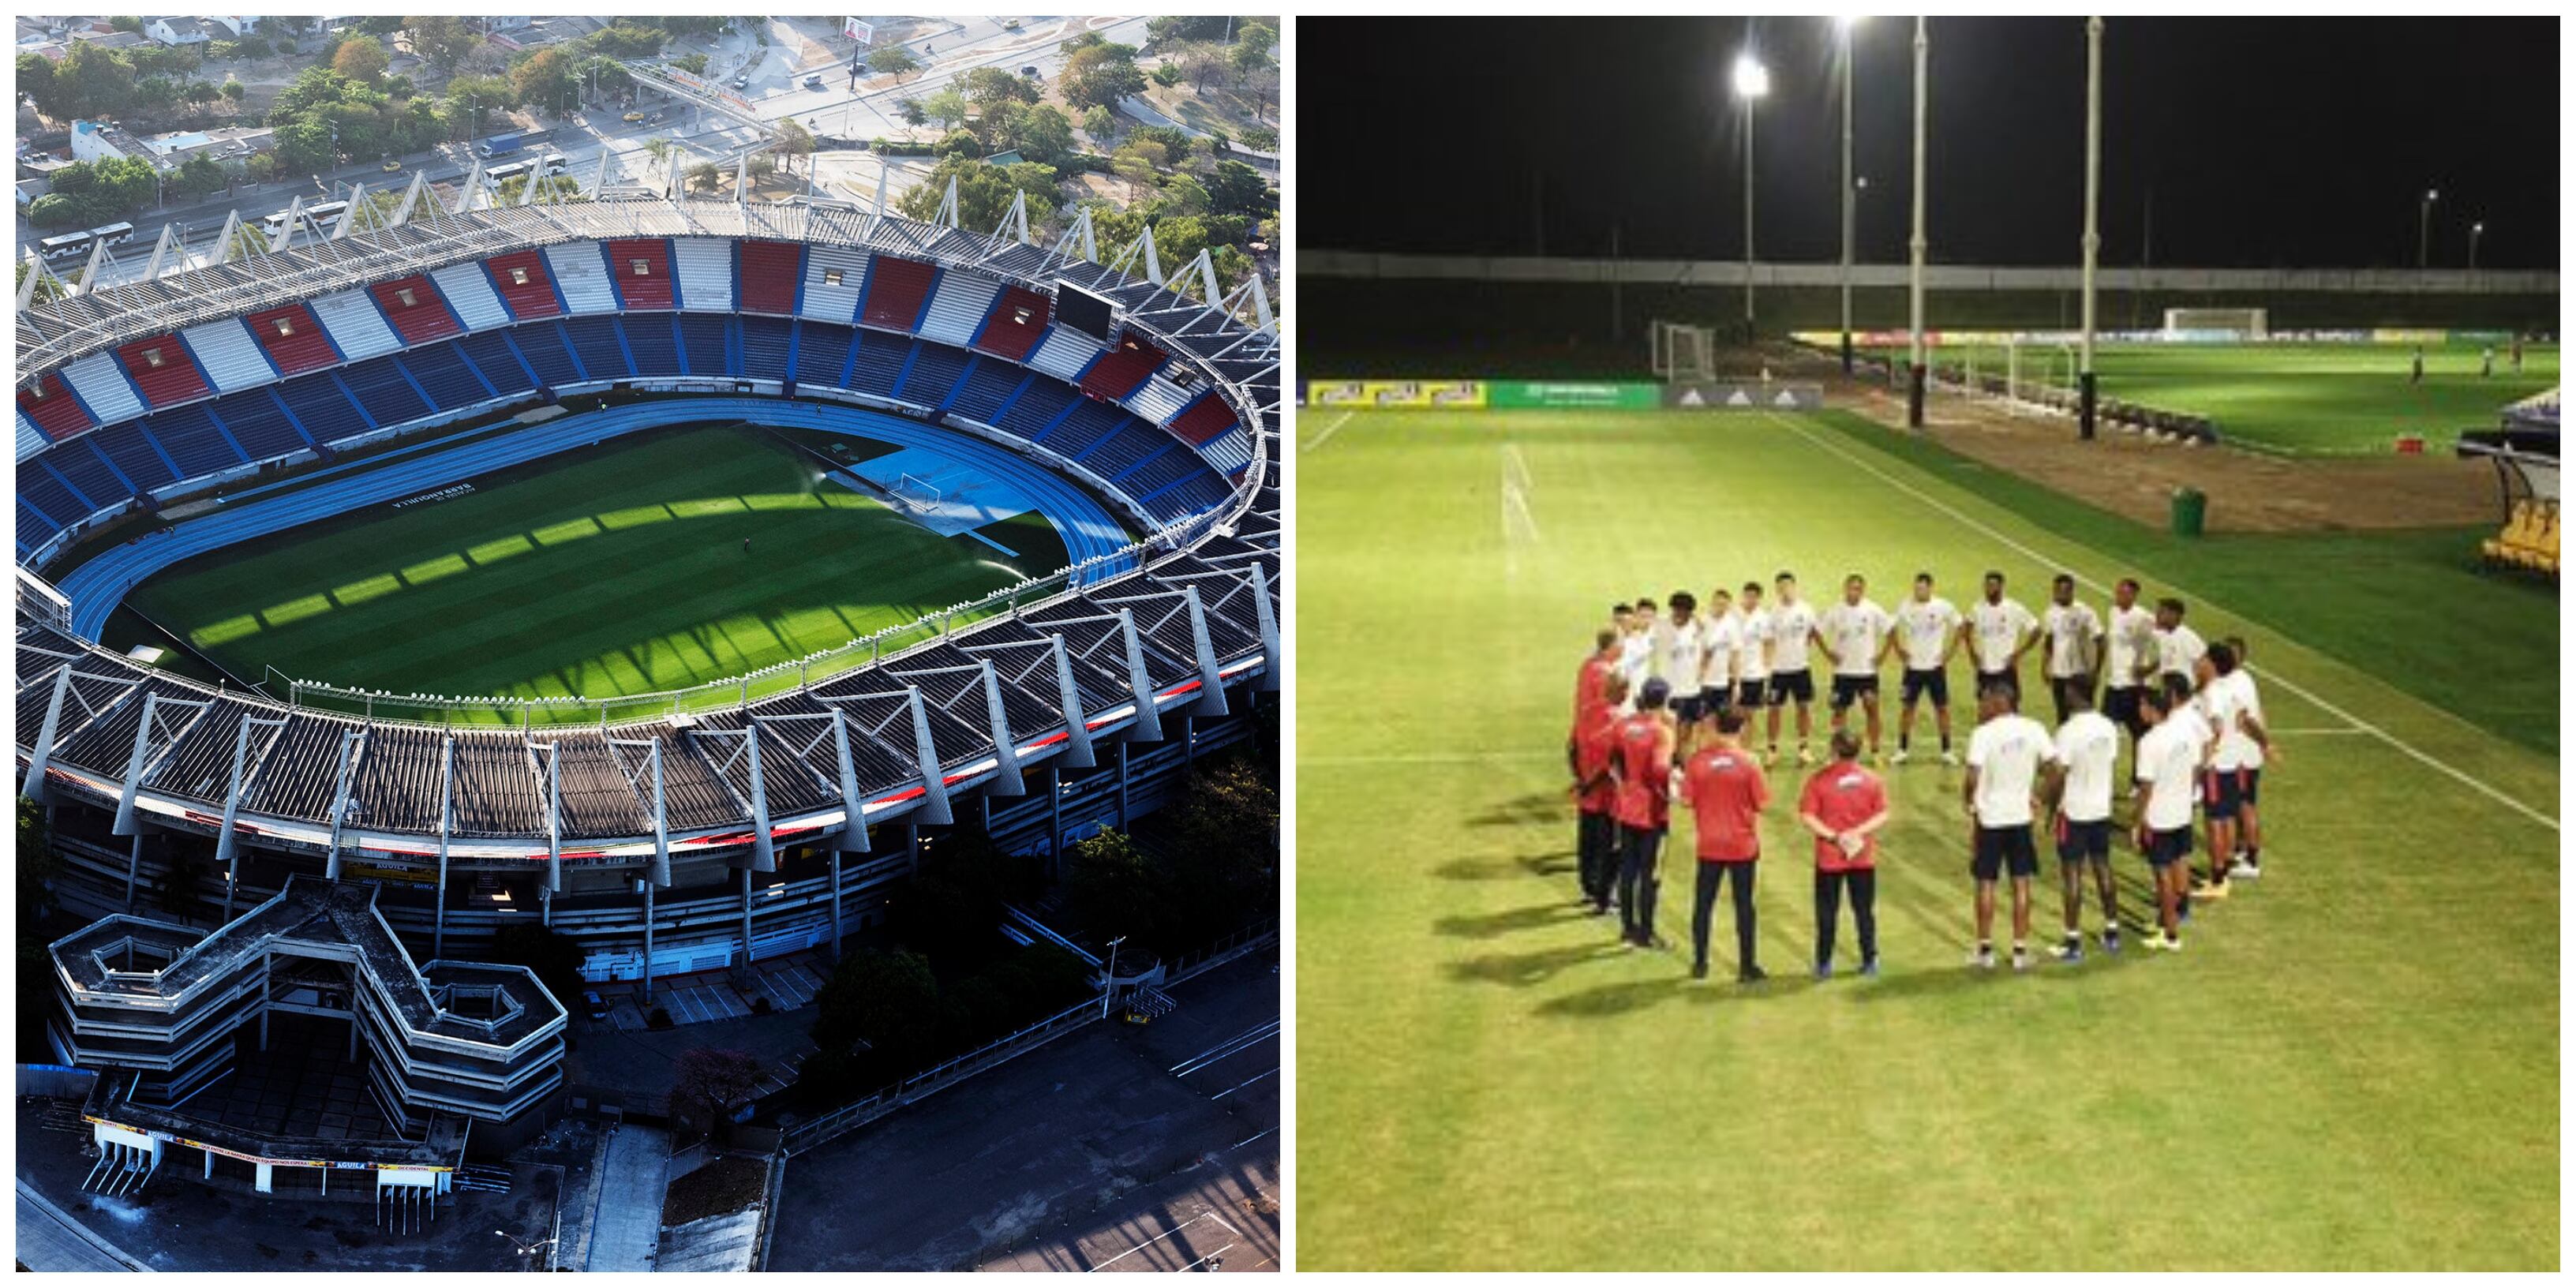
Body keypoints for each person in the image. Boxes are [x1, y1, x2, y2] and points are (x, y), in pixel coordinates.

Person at [1963, 682, 2058, 972]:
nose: (1981, 706)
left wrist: (1968, 801)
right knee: (2021, 882)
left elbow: (1972, 776)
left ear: (1999, 700)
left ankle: (1985, 950)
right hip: (2020, 818)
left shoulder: (1983, 734)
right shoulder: (2035, 728)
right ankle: (2019, 952)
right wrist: (2039, 798)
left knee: (1986, 882)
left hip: (1990, 819)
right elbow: (2055, 770)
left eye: (1985, 700)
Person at [1681, 706, 1768, 982]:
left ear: (1717, 727)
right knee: (1745, 906)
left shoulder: (1697, 761)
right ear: (1741, 728)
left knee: (1704, 905)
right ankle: (1747, 965)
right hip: (1742, 845)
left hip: (1710, 844)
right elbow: (1762, 803)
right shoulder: (1750, 762)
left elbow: (1686, 800)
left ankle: (1700, 962)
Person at [2190, 642, 2276, 903]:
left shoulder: (2214, 692)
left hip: (2217, 764)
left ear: (2213, 663)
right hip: (2233, 761)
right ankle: (2225, 867)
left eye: (2204, 658)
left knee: (2215, 820)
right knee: (2227, 816)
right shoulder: (2232, 686)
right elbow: (2245, 719)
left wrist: (2209, 750)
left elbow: (2216, 723)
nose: (2199, 661)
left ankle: (2218, 879)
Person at [1800, 729, 1889, 979]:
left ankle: (1824, 964)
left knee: (1827, 912)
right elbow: (1882, 814)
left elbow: (1807, 816)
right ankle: (1870, 959)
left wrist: (1835, 837)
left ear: (1835, 749)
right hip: (1862, 857)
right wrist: (1858, 833)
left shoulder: (1819, 780)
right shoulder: (1872, 780)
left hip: (1829, 858)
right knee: (1864, 910)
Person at [2046, 687, 2123, 960]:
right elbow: (2110, 761)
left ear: (2076, 695)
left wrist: (2051, 810)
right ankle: (2112, 931)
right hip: (2101, 808)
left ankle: (2072, 940)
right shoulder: (2108, 727)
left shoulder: (2068, 731)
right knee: (2103, 866)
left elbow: (2058, 775)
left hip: (2075, 811)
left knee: (2072, 874)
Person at [2132, 681, 2208, 951]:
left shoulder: (2149, 742)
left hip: (2160, 817)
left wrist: (2138, 821)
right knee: (2180, 862)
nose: (2139, 709)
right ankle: (2174, 914)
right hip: (2182, 812)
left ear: (2153, 710)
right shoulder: (2185, 733)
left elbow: (2146, 787)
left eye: (2142, 705)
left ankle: (2170, 932)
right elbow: (2197, 766)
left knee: (2162, 875)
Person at [1609, 677, 1679, 949]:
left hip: (1626, 808)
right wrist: (1668, 792)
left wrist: (1624, 787)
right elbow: (1660, 770)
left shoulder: (1624, 725)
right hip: (1652, 812)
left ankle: (1627, 928)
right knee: (1650, 874)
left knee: (1627, 870)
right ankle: (1646, 932)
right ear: (1664, 701)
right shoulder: (1661, 732)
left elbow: (1613, 764)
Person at [1818, 572, 1893, 762]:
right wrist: (1828, 653)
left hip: (1867, 672)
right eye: (1851, 588)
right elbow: (1816, 631)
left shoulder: (1873, 609)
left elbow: (1891, 630)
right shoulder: (1835, 610)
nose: (1854, 592)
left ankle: (1875, 750)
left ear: (1863, 590)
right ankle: (1836, 752)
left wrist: (1882, 656)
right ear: (1845, 589)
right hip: (1843, 672)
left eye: (1858, 589)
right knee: (1839, 712)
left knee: (1872, 708)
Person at [1571, 671, 1629, 915]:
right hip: (1606, 797)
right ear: (1621, 693)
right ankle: (1605, 897)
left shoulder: (1586, 713)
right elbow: (1609, 766)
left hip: (1587, 793)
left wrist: (1579, 778)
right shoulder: (1618, 722)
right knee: (1609, 846)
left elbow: (1572, 747)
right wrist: (1588, 785)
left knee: (1587, 842)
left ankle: (1588, 888)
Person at [1891, 571, 1964, 765]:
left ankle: (1947, 750)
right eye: (1916, 588)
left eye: (1922, 588)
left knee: (1942, 709)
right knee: (1908, 708)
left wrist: (1949, 653)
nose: (1918, 591)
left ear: (1931, 588)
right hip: (1912, 668)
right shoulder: (1905, 605)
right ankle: (1902, 749)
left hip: (1935, 668)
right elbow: (1891, 626)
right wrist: (1899, 649)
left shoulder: (1943, 606)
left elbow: (1961, 626)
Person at [2220, 635, 2271, 880]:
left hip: (2242, 755)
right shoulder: (2242, 680)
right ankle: (2241, 849)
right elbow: (2260, 713)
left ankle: (2252, 860)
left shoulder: (2238, 684)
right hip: (2245, 753)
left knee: (2245, 805)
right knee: (2241, 805)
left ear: (2240, 658)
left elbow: (2248, 720)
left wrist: (2265, 744)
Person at [1765, 572, 1821, 766]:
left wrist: (1805, 649)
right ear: (1777, 589)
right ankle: (1772, 749)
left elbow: (1813, 632)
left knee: (1803, 707)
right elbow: (1769, 640)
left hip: (1801, 668)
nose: (1785, 590)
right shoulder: (1773, 612)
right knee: (1774, 709)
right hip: (1779, 670)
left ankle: (1804, 748)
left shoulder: (1806, 609)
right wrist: (1768, 665)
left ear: (1794, 586)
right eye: (1781, 587)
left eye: (1788, 586)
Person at [1965, 571, 2039, 706]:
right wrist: (1972, 653)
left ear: (2001, 587)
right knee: (1984, 707)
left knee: (2011, 707)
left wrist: (2019, 653)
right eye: (1986, 585)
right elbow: (1967, 628)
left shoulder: (2014, 608)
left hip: (2006, 668)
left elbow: (2036, 630)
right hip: (1984, 668)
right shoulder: (1977, 608)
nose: (1988, 589)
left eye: (1993, 585)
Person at [2102, 578, 2159, 745]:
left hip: (2134, 685)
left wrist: (2149, 668)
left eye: (2123, 593)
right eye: (2117, 592)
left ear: (2134, 595)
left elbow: (2164, 643)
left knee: (2139, 733)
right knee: (2106, 728)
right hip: (2114, 682)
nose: (2117, 596)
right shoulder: (2113, 612)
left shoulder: (2143, 617)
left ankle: (2140, 770)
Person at [2040, 572, 2103, 725]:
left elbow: (2101, 640)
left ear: (2071, 591)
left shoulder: (2085, 612)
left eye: (2063, 591)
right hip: (2059, 674)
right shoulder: (2050, 613)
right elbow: (2049, 641)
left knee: (2085, 717)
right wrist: (2044, 666)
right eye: (2056, 590)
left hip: (2080, 673)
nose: (2058, 594)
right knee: (2062, 716)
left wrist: (2096, 670)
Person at [1656, 592, 1705, 725]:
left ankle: (1684, 747)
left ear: (1690, 613)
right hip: (1669, 689)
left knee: (1689, 726)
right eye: (1676, 611)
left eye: (1684, 612)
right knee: (1669, 727)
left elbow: (1707, 649)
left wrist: (1702, 671)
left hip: (1692, 688)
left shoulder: (1697, 627)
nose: (1679, 615)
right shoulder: (1661, 625)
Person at [1697, 587, 1740, 719]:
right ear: (1712, 603)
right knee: (1701, 720)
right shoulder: (1702, 622)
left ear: (1728, 606)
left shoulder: (1732, 624)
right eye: (1718, 604)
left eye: (1724, 605)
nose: (1721, 608)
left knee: (1721, 719)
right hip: (1703, 682)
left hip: (1723, 682)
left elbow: (1735, 655)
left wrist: (1737, 683)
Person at [1733, 581, 1774, 715]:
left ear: (1759, 599)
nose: (1750, 600)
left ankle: (1748, 737)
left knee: (1750, 713)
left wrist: (1767, 668)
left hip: (1754, 673)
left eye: (1754, 597)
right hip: (1734, 672)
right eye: (1747, 596)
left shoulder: (1764, 618)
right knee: (1732, 713)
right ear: (1743, 596)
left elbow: (1768, 643)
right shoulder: (1733, 615)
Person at [2151, 597, 2207, 687]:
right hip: (2170, 689)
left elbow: (2206, 663)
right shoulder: (2163, 634)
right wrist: (2148, 670)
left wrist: (2198, 689)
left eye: (2161, 612)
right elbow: (2166, 657)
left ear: (2173, 615)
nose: (2157, 616)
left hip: (2185, 691)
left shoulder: (2188, 637)